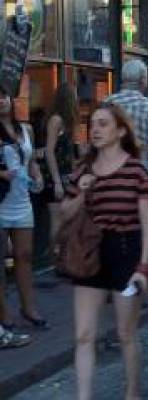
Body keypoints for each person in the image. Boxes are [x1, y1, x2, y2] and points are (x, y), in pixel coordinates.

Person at [60, 103, 148, 400]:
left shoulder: (137, 170)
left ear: (121, 130)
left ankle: (132, 393)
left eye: (103, 124)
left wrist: (144, 265)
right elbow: (64, 213)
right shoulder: (83, 169)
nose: (96, 130)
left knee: (125, 333)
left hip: (126, 250)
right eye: (93, 125)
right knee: (83, 335)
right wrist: (83, 192)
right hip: (90, 252)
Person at [0, 87, 46, 329]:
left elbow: (32, 162)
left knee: (25, 256)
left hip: (22, 202)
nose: (1, 101)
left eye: (4, 96)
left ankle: (28, 307)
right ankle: (4, 313)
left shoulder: (25, 129)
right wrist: (2, 173)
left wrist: (37, 176)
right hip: (1, 202)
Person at [106, 59, 148, 221]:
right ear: (142, 81)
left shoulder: (108, 103)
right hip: (145, 178)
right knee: (146, 228)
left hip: (112, 176)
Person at [38, 83, 79, 240]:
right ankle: (56, 258)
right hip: (56, 177)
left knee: (66, 220)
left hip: (65, 175)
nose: (77, 98)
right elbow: (49, 151)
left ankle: (63, 256)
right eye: (74, 95)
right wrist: (57, 182)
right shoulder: (56, 120)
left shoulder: (67, 121)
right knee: (57, 221)